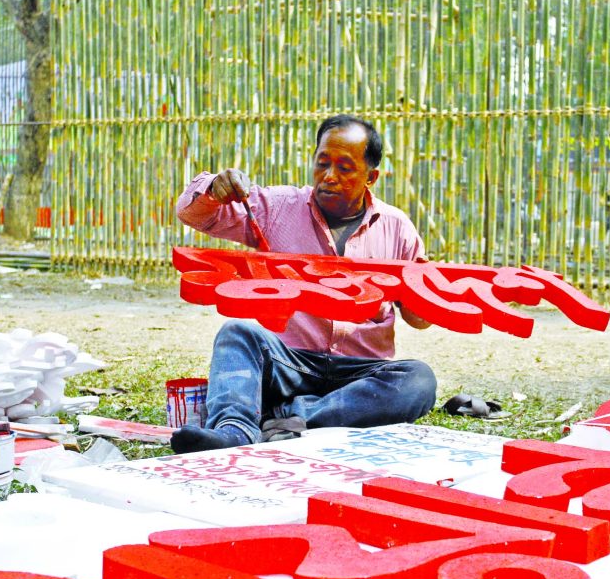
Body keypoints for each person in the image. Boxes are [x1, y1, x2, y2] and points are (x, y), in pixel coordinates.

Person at [170, 115, 437, 454]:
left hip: (361, 373)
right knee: (237, 333)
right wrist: (213, 188)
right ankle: (234, 431)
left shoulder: (397, 227)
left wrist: (424, 290)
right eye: (322, 162)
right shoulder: (279, 207)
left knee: (418, 379)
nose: (329, 176)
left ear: (371, 177)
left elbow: (419, 319)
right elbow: (195, 215)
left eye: (345, 168)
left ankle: (293, 415)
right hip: (288, 362)